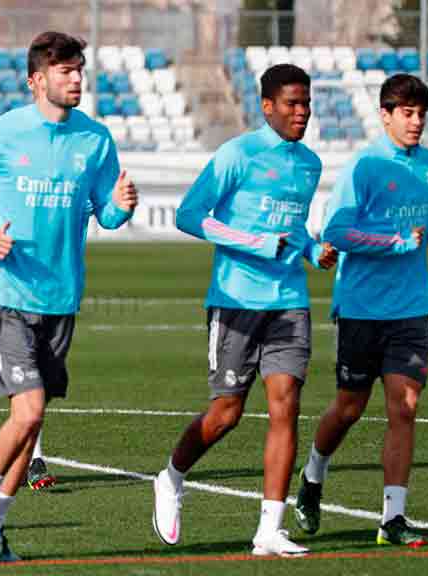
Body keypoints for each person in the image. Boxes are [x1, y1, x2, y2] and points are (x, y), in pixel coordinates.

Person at [0, 31, 137, 561]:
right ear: (37, 80)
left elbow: (107, 214)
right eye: (65, 71)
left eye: (79, 70)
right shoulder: (2, 133)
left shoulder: (96, 139)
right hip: (6, 294)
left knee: (32, 424)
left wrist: (123, 205)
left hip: (61, 299)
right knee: (28, 414)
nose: (76, 79)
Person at [150, 64, 337, 557]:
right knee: (226, 414)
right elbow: (189, 215)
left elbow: (293, 230)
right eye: (292, 104)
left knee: (287, 406)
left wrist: (312, 250)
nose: (302, 112)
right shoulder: (237, 154)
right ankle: (171, 477)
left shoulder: (310, 165)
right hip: (234, 301)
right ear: (268, 106)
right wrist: (254, 242)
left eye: (307, 102)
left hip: (289, 302)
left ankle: (269, 530)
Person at [293, 73, 428, 547]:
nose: (416, 123)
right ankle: (313, 474)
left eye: (422, 115)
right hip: (361, 308)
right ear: (385, 115)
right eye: (407, 113)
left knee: (405, 408)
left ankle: (393, 519)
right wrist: (393, 243)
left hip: (411, 307)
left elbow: (422, 219)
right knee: (349, 408)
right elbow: (337, 232)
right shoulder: (363, 166)